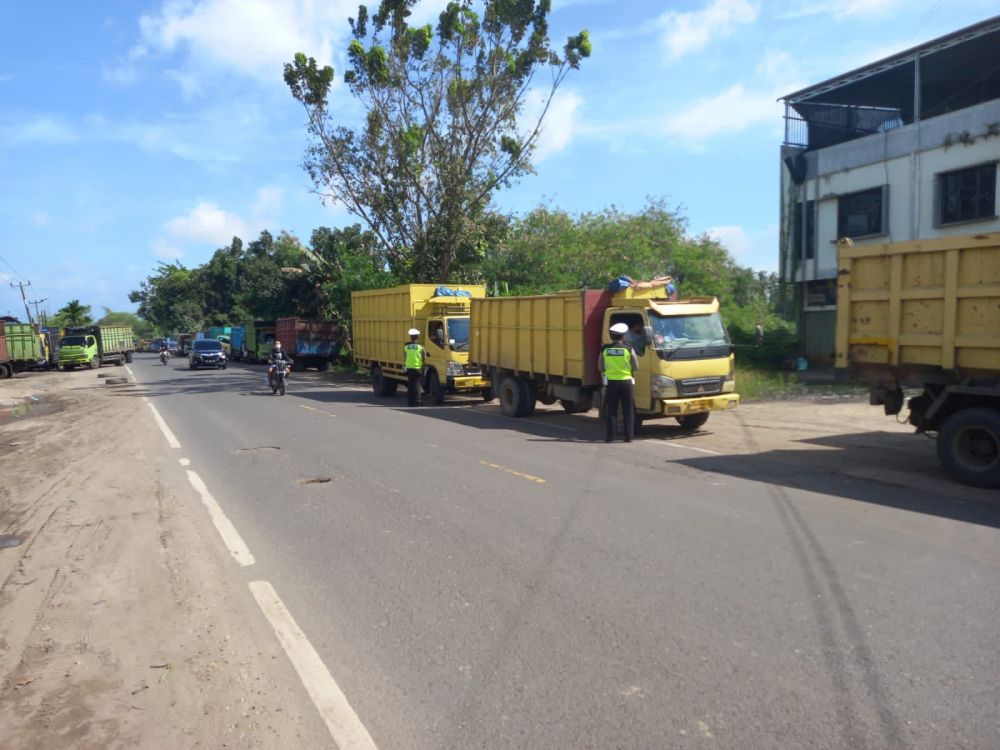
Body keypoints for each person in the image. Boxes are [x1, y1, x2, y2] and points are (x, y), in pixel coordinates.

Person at [598, 322, 639, 443]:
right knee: (628, 410)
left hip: (611, 383)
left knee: (611, 410)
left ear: (611, 336)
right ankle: (628, 437)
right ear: (623, 336)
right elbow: (636, 367)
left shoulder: (605, 349)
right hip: (626, 382)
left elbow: (600, 367)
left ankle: (610, 437)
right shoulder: (629, 349)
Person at [404, 328, 425, 407]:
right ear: (417, 337)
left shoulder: (406, 347)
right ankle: (418, 401)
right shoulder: (420, 347)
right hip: (417, 368)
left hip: (409, 368)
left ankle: (410, 401)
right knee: (417, 385)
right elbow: (423, 357)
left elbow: (405, 356)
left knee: (410, 385)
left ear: (410, 337)